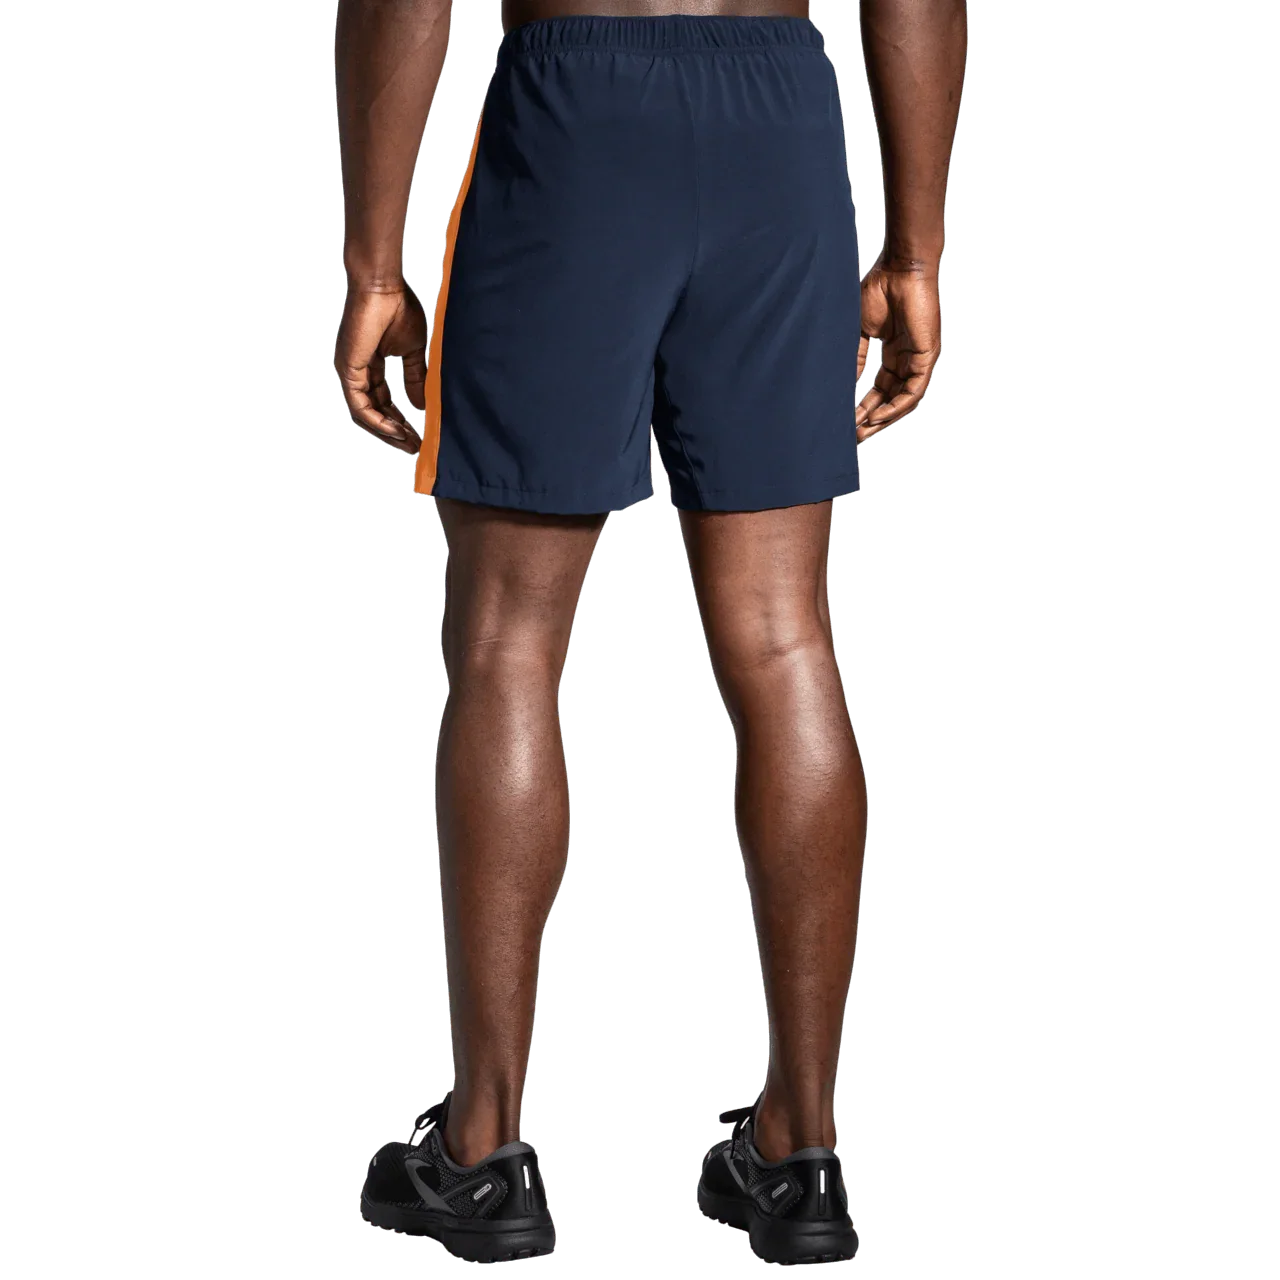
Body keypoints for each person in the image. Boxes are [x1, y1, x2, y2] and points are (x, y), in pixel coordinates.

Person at [334, 0, 966, 1263]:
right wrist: (915, 249)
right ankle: (802, 1153)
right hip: (778, 119)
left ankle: (483, 1148)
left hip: (577, 111)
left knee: (508, 642)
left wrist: (373, 266)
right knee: (784, 637)